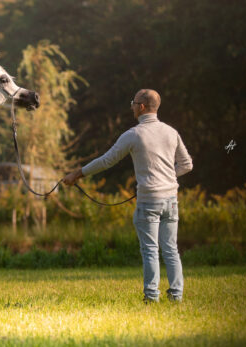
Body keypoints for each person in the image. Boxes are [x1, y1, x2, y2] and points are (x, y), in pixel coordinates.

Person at [63, 89, 193, 303]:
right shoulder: (171, 132)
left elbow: (107, 160)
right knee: (171, 249)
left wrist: (77, 174)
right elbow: (187, 165)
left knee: (150, 250)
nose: (131, 106)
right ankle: (176, 296)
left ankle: (152, 297)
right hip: (171, 200)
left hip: (149, 200)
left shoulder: (134, 134)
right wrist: (168, 176)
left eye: (133, 103)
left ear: (141, 106)